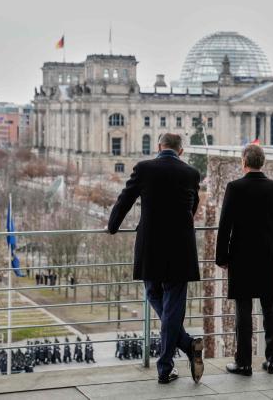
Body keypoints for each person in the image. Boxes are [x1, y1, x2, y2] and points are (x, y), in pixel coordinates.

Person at [108, 133, 204, 384]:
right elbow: (193, 206)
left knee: (153, 293)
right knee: (173, 305)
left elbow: (125, 199)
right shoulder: (192, 173)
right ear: (181, 151)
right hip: (181, 247)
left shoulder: (144, 168)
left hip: (151, 245)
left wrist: (113, 226)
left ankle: (173, 359)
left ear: (159, 147)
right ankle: (178, 352)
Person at [216, 144, 273, 376]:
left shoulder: (234, 188)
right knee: (270, 310)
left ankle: (244, 363)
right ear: (262, 162)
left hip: (241, 257)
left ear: (243, 162)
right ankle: (272, 360)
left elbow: (224, 226)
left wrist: (222, 257)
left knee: (243, 312)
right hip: (268, 256)